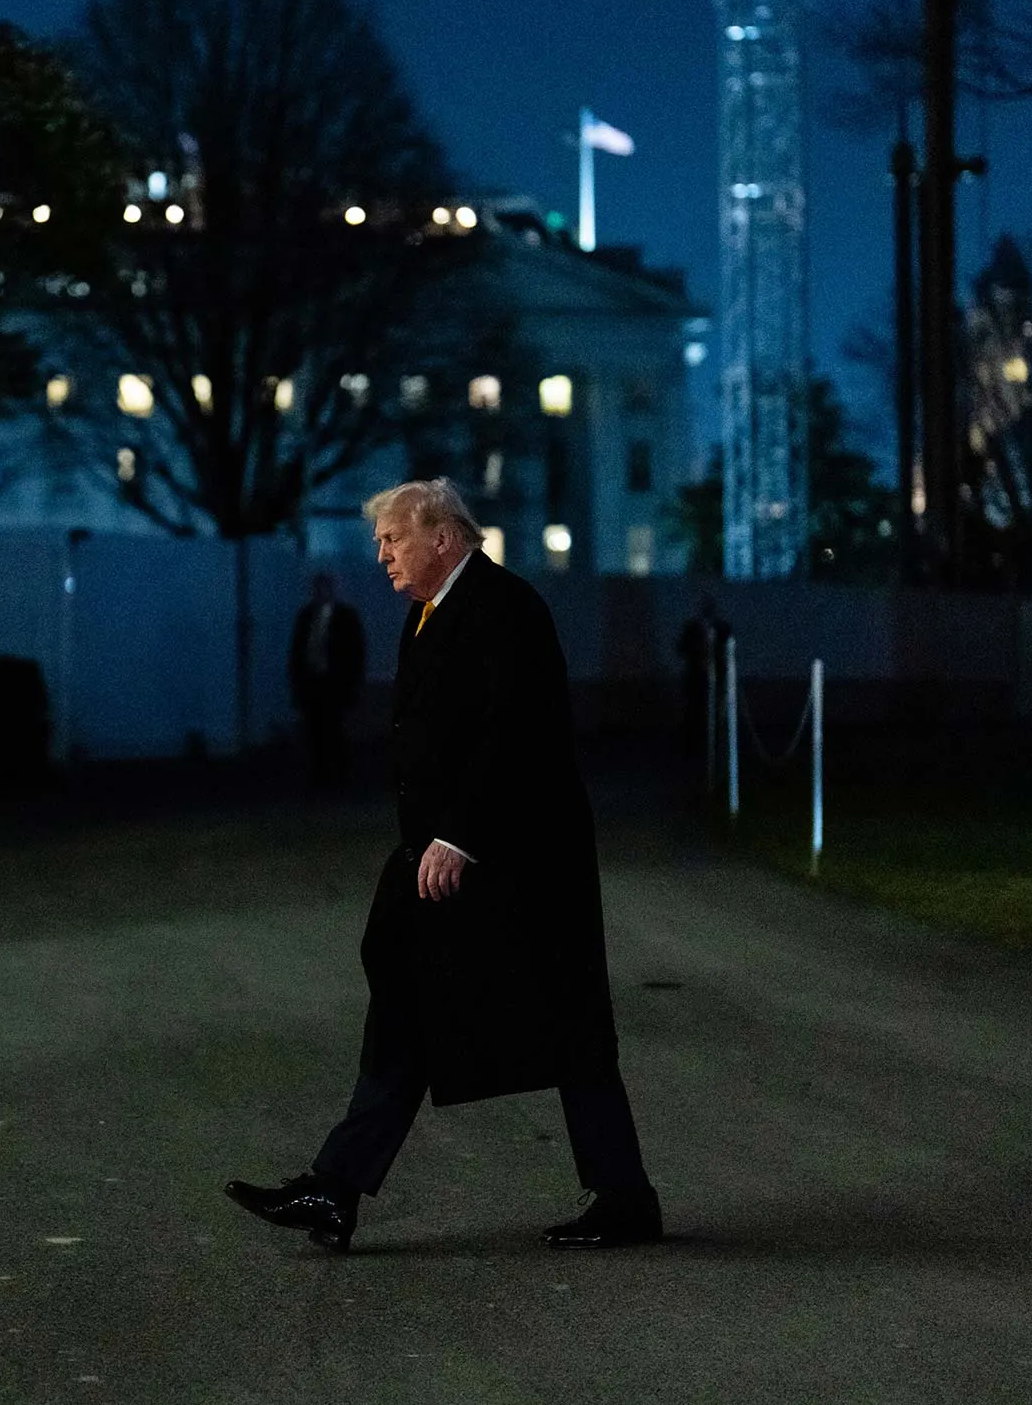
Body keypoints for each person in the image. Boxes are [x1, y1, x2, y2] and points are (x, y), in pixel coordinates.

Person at [225, 478, 660, 1253]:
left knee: (568, 1021)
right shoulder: (430, 614)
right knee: (406, 1002)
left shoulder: (503, 607)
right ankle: (335, 1187)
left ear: (443, 538)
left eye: (392, 539)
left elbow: (515, 732)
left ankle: (625, 1197)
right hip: (446, 857)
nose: (382, 554)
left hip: (516, 861)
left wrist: (459, 834)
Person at [288, 572, 366, 789]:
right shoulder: (306, 616)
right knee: (315, 732)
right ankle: (320, 777)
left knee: (335, 731)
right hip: (313, 683)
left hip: (334, 684)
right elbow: (297, 652)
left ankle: (339, 777)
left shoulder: (346, 617)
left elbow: (355, 652)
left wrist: (351, 683)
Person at [674, 594, 731, 761]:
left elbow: (729, 651)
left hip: (716, 678)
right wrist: (697, 650)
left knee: (714, 713)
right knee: (693, 713)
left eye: (709, 607)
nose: (707, 610)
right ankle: (691, 749)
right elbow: (681, 648)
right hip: (695, 679)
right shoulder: (691, 628)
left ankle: (713, 748)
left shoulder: (723, 628)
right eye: (704, 607)